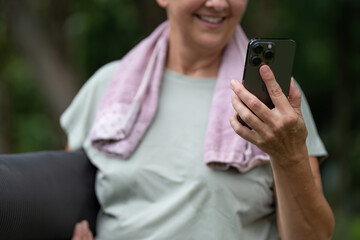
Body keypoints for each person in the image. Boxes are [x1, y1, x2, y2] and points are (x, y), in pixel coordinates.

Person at [62, 0, 335, 239]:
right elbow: (65, 204)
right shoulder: (108, 87)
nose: (218, 3)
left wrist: (289, 155)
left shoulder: (276, 101)